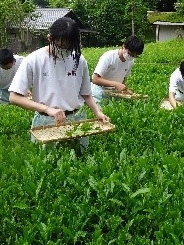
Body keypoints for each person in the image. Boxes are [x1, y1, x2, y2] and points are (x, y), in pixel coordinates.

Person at [9, 16, 109, 149]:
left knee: (80, 160)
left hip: (76, 119)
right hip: (46, 121)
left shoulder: (78, 60)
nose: (65, 51)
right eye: (61, 46)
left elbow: (86, 94)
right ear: (50, 38)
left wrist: (98, 112)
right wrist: (47, 109)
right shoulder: (34, 60)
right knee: (47, 164)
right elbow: (14, 97)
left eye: (69, 47)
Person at [90, 35, 145, 103]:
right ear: (124, 46)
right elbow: (95, 79)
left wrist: (125, 90)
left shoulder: (130, 61)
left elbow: (123, 80)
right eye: (130, 54)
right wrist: (116, 84)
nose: (132, 57)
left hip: (114, 94)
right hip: (98, 95)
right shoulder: (109, 57)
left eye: (135, 56)